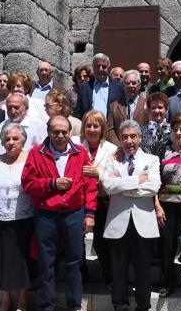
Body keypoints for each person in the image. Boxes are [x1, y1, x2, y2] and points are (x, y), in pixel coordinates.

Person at [22, 115, 97, 311]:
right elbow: (28, 184)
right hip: (46, 215)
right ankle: (46, 306)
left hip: (74, 214)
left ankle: (74, 305)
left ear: (69, 131)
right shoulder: (36, 153)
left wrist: (90, 214)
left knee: (75, 262)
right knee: (46, 264)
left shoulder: (80, 153)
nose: (61, 135)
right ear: (48, 132)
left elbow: (90, 186)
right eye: (56, 132)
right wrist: (51, 183)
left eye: (64, 131)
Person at [102, 120, 161, 311]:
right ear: (119, 139)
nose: (129, 141)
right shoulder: (112, 159)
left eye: (133, 136)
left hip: (143, 222)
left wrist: (122, 186)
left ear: (140, 138)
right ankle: (119, 305)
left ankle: (143, 306)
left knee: (143, 269)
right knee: (118, 269)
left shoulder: (151, 160)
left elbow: (153, 188)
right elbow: (108, 186)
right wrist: (137, 181)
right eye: (124, 137)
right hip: (118, 222)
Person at [0, 123, 34, 311]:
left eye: (15, 138)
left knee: (23, 260)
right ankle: (6, 298)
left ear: (23, 141)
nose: (11, 142)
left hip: (24, 218)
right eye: (7, 139)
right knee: (1, 259)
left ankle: (22, 298)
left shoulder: (31, 159)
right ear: (2, 142)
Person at [72, 110, 118, 288]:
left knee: (102, 241)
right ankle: (80, 279)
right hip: (78, 199)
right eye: (88, 125)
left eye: (96, 126)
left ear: (102, 128)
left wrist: (98, 174)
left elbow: (115, 175)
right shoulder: (75, 144)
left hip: (103, 199)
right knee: (77, 240)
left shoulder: (111, 149)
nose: (92, 129)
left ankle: (110, 278)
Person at [154, 114, 181, 299]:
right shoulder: (162, 150)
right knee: (167, 247)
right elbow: (154, 180)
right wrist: (157, 205)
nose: (179, 133)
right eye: (176, 129)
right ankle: (167, 283)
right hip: (166, 206)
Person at [106, 70, 149, 146]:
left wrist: (138, 146)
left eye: (134, 83)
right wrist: (120, 146)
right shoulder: (114, 106)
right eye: (127, 83)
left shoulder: (147, 104)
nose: (131, 85)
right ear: (123, 85)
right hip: (119, 149)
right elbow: (110, 130)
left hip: (141, 149)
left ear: (139, 85)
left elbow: (149, 127)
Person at [76, 53, 125, 118]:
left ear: (108, 67)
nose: (100, 69)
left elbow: (123, 110)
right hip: (90, 127)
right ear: (93, 68)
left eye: (104, 66)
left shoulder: (118, 88)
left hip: (110, 127)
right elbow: (78, 112)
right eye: (98, 66)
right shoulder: (84, 88)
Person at [140, 92, 172, 160]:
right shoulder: (141, 131)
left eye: (160, 107)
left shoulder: (173, 129)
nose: (157, 111)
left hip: (169, 167)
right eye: (153, 108)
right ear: (149, 110)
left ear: (166, 110)